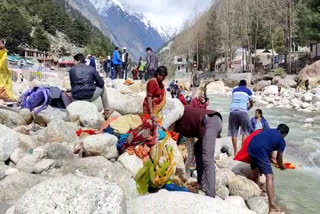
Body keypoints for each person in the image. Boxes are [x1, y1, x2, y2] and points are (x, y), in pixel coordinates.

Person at [170, 106, 223, 197]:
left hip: (212, 120)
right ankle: (201, 183)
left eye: (170, 127)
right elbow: (191, 153)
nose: (170, 129)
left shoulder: (180, 113)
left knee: (207, 158)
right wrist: (185, 177)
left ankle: (210, 194)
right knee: (198, 148)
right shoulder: (181, 129)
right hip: (207, 126)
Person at [248, 124, 289, 213]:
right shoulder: (282, 141)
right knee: (270, 176)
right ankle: (272, 205)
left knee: (256, 169)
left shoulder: (268, 130)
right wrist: (281, 166)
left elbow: (267, 145)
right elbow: (279, 157)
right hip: (260, 150)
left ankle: (254, 190)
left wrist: (272, 160)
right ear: (285, 134)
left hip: (251, 146)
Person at [69, 53, 113, 119]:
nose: (73, 63)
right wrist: (93, 85)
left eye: (74, 61)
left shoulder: (71, 70)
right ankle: (107, 111)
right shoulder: (91, 68)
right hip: (89, 96)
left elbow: (72, 85)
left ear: (78, 60)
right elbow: (101, 83)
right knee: (103, 88)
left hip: (76, 97)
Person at [228, 80, 253, 155]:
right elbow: (251, 103)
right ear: (245, 85)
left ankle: (235, 152)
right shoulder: (248, 91)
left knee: (234, 132)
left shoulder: (234, 90)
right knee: (245, 132)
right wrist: (247, 108)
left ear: (239, 85)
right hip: (243, 111)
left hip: (233, 111)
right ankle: (242, 152)